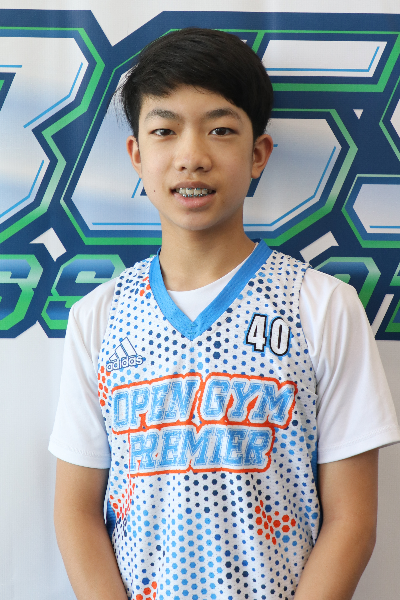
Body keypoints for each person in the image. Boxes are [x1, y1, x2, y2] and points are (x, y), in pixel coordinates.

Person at [49, 28, 400, 600]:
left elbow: (352, 521)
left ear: (257, 154)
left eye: (220, 130)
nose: (192, 157)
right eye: (165, 131)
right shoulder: (99, 315)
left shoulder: (323, 306)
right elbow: (76, 512)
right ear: (137, 154)